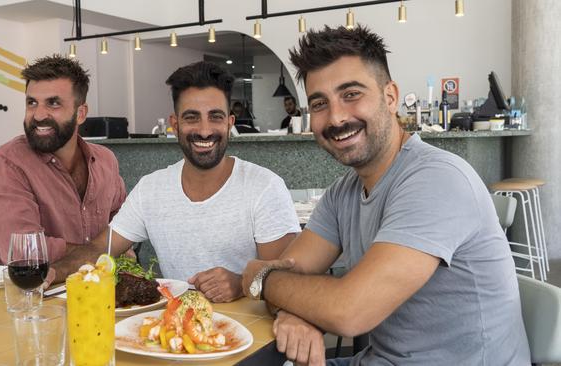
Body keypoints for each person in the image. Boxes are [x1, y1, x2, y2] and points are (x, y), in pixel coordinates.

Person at [242, 26, 530, 366]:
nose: (336, 117)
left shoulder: (437, 180)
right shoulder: (342, 193)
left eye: (351, 94)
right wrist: (294, 309)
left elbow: (349, 311)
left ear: (390, 97)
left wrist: (265, 280)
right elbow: (293, 270)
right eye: (320, 103)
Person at [106, 61, 301, 303]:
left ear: (229, 123)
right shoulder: (150, 189)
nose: (205, 130)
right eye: (192, 117)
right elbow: (100, 249)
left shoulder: (264, 186)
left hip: (252, 334)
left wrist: (241, 283)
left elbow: (288, 282)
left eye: (215, 117)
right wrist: (55, 269)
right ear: (175, 125)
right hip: (173, 332)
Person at [0, 55, 127, 284]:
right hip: (30, 297)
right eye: (32, 103)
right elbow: (21, 252)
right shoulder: (8, 163)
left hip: (100, 294)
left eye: (53, 103)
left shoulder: (105, 160)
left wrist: (119, 248)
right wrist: (98, 251)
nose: (38, 115)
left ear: (80, 113)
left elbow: (124, 227)